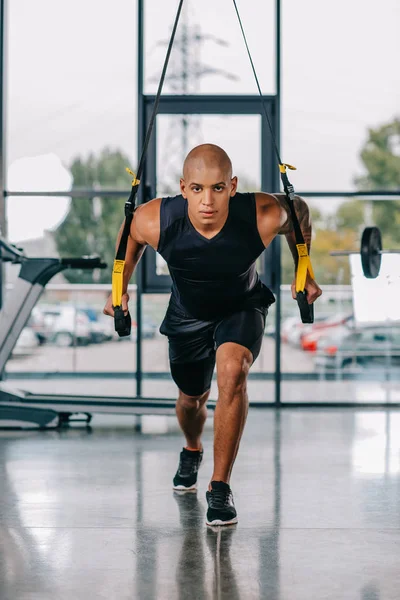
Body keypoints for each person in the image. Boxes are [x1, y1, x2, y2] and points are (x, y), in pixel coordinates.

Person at [104, 144, 322, 526]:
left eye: (218, 188)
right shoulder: (157, 219)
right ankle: (192, 448)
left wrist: (305, 268)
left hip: (241, 306)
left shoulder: (262, 214)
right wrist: (118, 285)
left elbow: (298, 209)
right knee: (191, 399)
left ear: (233, 186)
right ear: (183, 187)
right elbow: (131, 232)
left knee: (232, 371)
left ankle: (219, 487)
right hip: (187, 315)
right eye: (198, 189)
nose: (208, 200)